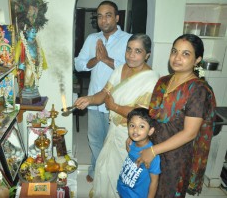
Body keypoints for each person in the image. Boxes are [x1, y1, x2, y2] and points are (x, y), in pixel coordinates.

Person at [74, 33, 159, 197]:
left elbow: (142, 115)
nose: (131, 55)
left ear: (147, 55)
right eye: (129, 49)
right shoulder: (120, 68)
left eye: (138, 51)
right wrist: (89, 99)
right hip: (113, 128)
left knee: (122, 177)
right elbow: (105, 93)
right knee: (105, 170)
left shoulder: (151, 79)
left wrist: (114, 106)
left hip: (130, 135)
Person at [135, 34, 217, 197]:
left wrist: (153, 150)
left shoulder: (198, 90)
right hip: (153, 150)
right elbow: (152, 117)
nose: (177, 58)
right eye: (174, 51)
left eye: (185, 54)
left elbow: (190, 133)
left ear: (197, 60)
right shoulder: (163, 81)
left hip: (175, 159)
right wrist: (137, 134)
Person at [74, 0, 132, 182]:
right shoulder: (92, 39)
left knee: (114, 142)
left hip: (117, 102)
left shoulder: (129, 40)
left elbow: (131, 69)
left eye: (108, 15)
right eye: (100, 16)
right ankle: (96, 170)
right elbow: (79, 64)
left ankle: (112, 174)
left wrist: (106, 59)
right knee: (94, 140)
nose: (104, 20)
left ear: (116, 17)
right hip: (93, 99)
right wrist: (95, 60)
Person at [117, 108, 161, 198]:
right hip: (123, 189)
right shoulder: (131, 142)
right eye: (132, 125)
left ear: (150, 131)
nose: (135, 130)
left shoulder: (152, 156)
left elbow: (154, 181)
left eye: (141, 126)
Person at [14, 0, 48, 104]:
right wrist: (19, 66)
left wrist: (39, 63)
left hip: (35, 65)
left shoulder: (36, 43)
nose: (34, 34)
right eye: (32, 32)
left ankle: (32, 90)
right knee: (27, 81)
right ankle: (27, 90)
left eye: (35, 32)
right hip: (27, 65)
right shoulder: (22, 43)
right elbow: (17, 56)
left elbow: (40, 55)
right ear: (26, 32)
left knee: (33, 81)